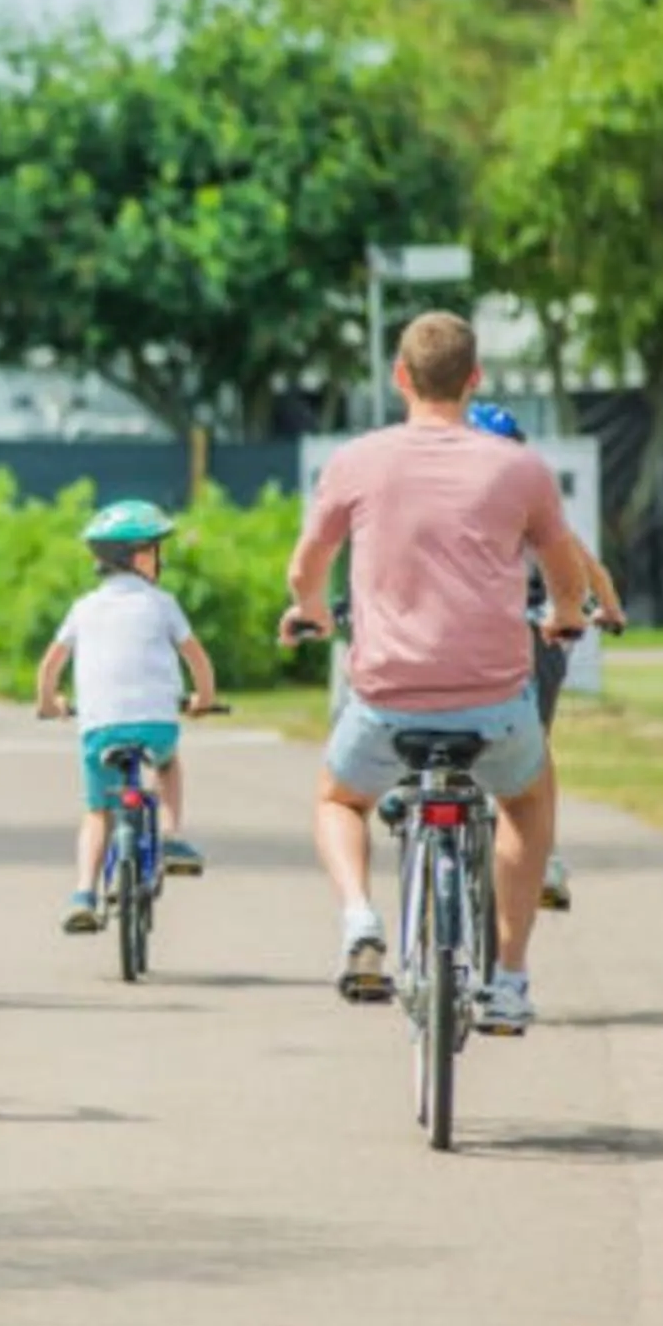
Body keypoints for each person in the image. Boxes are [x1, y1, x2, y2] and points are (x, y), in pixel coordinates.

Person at [281, 313, 584, 1034]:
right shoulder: (520, 469)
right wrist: (565, 615)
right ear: (475, 378)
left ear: (400, 377)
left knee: (338, 799)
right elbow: (565, 571)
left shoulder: (357, 461)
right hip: (495, 703)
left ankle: (360, 918)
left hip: (388, 702)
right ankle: (508, 980)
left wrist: (311, 611)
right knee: (527, 802)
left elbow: (306, 568)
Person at [465, 399, 627, 911]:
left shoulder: (438, 500)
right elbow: (583, 564)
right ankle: (545, 856)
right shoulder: (525, 502)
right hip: (530, 633)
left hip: (457, 639)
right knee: (534, 743)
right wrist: (610, 610)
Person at [34, 500, 219, 935]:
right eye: (155, 550)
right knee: (167, 765)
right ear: (139, 557)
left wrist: (49, 704)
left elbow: (50, 667)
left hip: (99, 728)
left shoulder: (84, 607)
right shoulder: (163, 603)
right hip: (157, 724)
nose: (159, 558)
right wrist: (204, 699)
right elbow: (197, 659)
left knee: (98, 811)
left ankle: (83, 893)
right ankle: (170, 835)